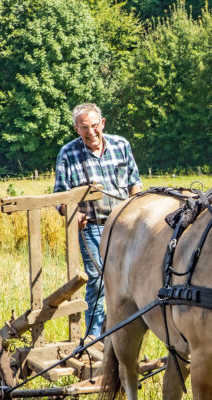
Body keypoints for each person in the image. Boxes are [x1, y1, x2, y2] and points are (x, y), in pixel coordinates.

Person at [54, 103, 142, 338]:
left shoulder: (121, 145)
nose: (91, 132)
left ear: (102, 124)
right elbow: (60, 198)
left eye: (94, 126)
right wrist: (72, 213)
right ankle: (94, 336)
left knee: (132, 278)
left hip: (126, 225)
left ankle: (125, 331)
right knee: (98, 280)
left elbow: (135, 183)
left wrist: (139, 212)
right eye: (84, 127)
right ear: (76, 129)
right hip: (92, 227)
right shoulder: (68, 153)